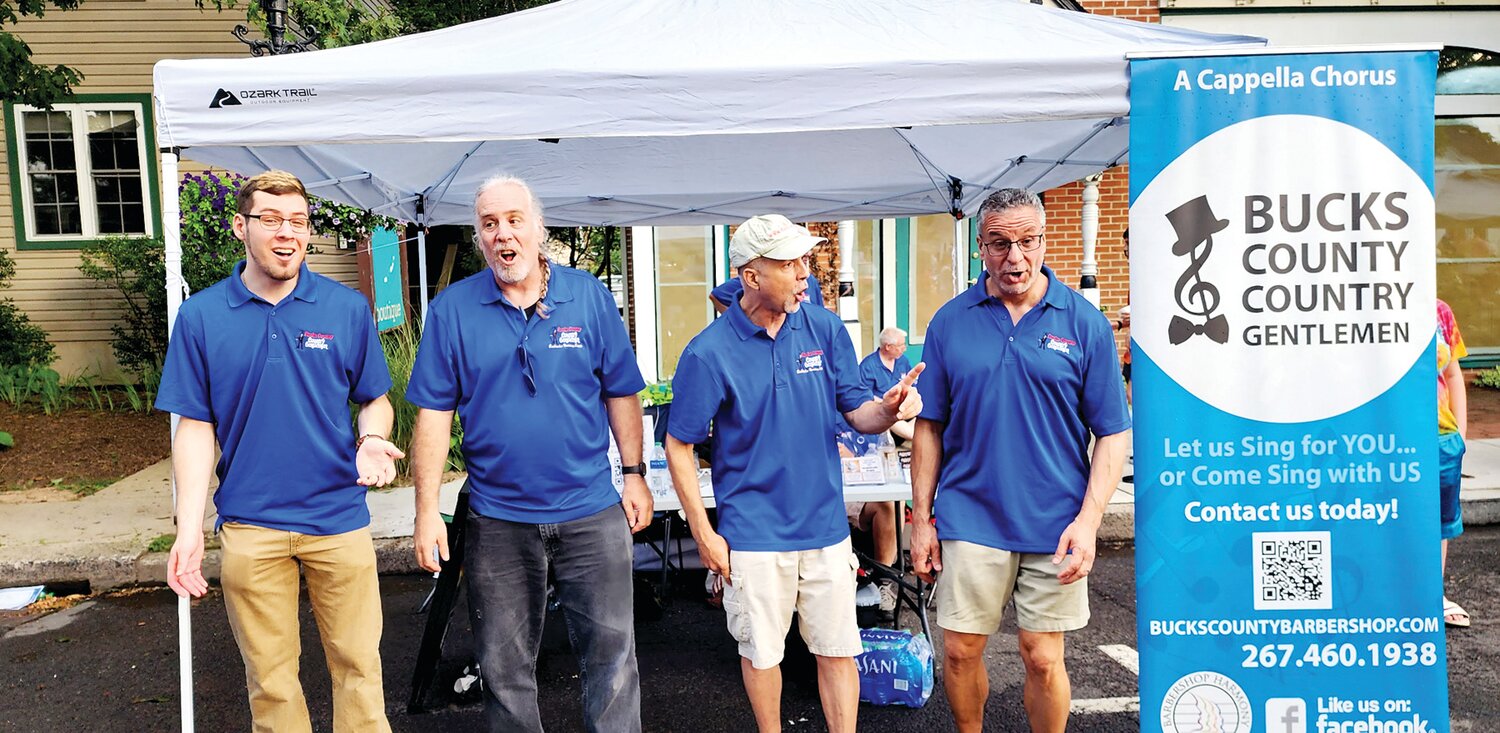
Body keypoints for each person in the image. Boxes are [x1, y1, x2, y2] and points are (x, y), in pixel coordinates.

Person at [157, 170, 405, 733]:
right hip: (251, 524)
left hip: (338, 520)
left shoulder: (344, 308)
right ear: (242, 227)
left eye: (298, 221)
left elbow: (376, 401)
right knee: (270, 684)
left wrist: (369, 440)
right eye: (271, 219)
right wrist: (189, 528)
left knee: (360, 671)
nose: (287, 232)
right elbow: (195, 428)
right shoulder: (201, 316)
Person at [407, 174, 652, 732]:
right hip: (498, 521)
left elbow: (621, 390)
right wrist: (425, 512)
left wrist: (634, 474)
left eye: (514, 220)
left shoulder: (587, 296)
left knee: (613, 664)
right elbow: (433, 416)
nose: (502, 234)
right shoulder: (453, 311)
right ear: (479, 237)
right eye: (489, 224)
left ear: (538, 229)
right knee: (504, 671)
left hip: (590, 512)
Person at [665, 214, 923, 733]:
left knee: (838, 651)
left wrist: (891, 409)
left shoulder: (824, 328)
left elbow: (857, 410)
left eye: (805, 259)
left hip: (825, 530)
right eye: (790, 263)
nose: (805, 273)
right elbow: (679, 443)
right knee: (763, 655)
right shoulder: (709, 352)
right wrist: (704, 532)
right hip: (753, 536)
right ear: (751, 275)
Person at [909, 188, 1130, 733]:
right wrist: (920, 521)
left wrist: (1089, 521)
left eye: (1028, 242)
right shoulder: (950, 322)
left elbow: (1112, 432)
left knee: (1041, 654)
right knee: (959, 651)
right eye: (1001, 244)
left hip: (1055, 519)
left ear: (1043, 239)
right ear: (980, 246)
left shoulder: (1083, 323)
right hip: (970, 513)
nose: (1016, 258)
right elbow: (929, 426)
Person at [1437, 298, 1469, 628]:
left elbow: (1453, 373)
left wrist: (1460, 432)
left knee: (1439, 521)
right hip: (1392, 439)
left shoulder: (1441, 311)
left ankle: (1434, 594)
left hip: (1440, 438)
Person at [858, 327, 915, 442]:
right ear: (888, 347)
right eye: (901, 346)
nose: (904, 349)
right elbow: (865, 397)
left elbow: (912, 385)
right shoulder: (868, 366)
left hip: (904, 410)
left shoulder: (903, 361)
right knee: (905, 429)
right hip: (885, 413)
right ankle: (911, 434)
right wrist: (887, 405)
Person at [711, 271, 825, 314]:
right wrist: (738, 322)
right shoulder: (761, 278)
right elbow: (716, 295)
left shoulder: (811, 281)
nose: (804, 271)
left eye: (805, 258)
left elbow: (819, 312)